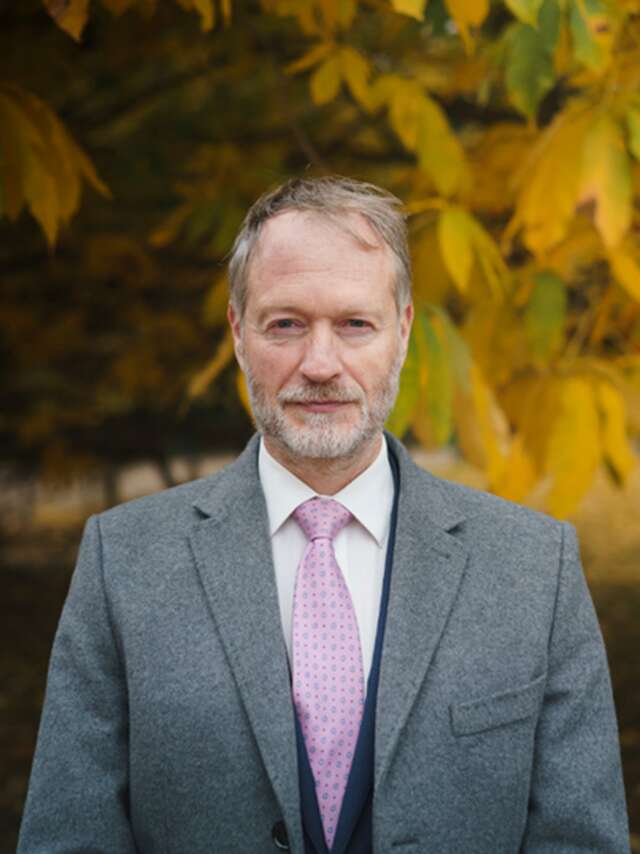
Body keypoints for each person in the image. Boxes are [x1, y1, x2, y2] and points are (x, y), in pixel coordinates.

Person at [19, 176, 629, 854]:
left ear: (402, 331)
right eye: (285, 324)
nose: (319, 364)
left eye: (354, 324)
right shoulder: (122, 561)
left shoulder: (535, 568)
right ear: (238, 333)